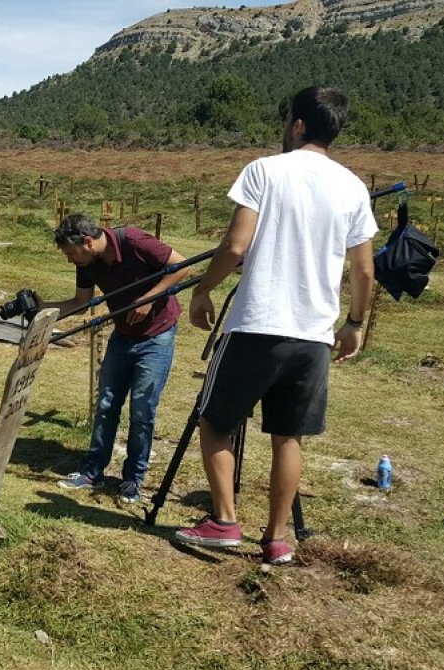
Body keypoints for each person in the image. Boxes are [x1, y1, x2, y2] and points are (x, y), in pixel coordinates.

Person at [173, 85, 377, 565]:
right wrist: (353, 322)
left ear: (299, 124)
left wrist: (203, 289)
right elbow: (364, 270)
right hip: (313, 334)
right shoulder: (352, 186)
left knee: (215, 420)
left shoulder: (264, 170)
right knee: (289, 436)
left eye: (288, 120)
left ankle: (223, 521)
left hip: (257, 324)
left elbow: (236, 246)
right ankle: (277, 539)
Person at [45, 213, 191, 503]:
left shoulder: (134, 241)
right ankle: (92, 471)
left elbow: (181, 265)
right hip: (122, 337)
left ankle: (133, 480)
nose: (69, 260)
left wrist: (147, 300)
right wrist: (40, 308)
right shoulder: (88, 261)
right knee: (107, 404)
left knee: (142, 410)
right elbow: (80, 303)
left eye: (71, 254)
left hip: (156, 337)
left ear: (87, 242)